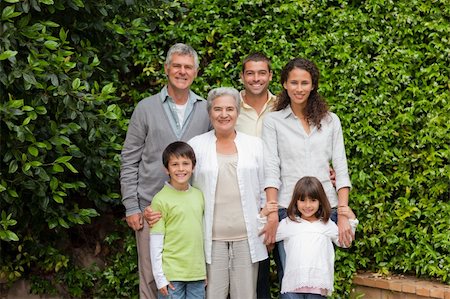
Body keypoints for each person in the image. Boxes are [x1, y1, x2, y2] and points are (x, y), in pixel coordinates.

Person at [120, 43, 210, 299]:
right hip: (151, 209)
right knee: (151, 278)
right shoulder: (145, 108)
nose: (182, 72)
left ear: (196, 72)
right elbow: (129, 159)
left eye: (188, 67)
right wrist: (132, 206)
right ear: (167, 69)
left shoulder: (205, 110)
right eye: (177, 66)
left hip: (191, 210)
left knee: (192, 276)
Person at [262, 58, 354, 292]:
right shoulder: (273, 121)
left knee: (318, 281)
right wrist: (272, 211)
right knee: (290, 280)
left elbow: (341, 168)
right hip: (287, 209)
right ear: (284, 84)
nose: (299, 88)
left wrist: (342, 213)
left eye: (305, 83)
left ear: (313, 85)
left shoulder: (331, 121)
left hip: (325, 209)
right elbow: (271, 167)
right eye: (294, 82)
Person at [188, 87, 267, 299]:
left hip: (247, 237)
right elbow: (184, 188)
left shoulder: (255, 145)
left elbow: (265, 189)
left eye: (230, 109)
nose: (224, 114)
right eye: (218, 109)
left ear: (238, 113)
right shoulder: (196, 145)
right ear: (209, 113)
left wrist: (268, 219)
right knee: (213, 295)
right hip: (211, 238)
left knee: (246, 295)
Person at [258, 176, 358, 298]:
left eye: (313, 200)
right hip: (292, 286)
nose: (307, 205)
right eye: (302, 200)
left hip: (317, 286)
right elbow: (265, 237)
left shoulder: (326, 225)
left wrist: (351, 218)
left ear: (320, 201)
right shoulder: (289, 224)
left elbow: (345, 242)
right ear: (295, 201)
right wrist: (263, 214)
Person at [236, 52, 276, 299]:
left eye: (262, 73)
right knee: (245, 264)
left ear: (270, 76)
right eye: (250, 73)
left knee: (274, 265)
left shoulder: (283, 104)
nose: (256, 78)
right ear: (242, 76)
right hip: (242, 194)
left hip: (277, 193)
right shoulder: (230, 104)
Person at [150, 141, 206, 299]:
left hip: (197, 274)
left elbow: (202, 234)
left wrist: (204, 271)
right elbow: (156, 242)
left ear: (193, 167)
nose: (181, 169)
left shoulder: (199, 195)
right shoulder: (160, 200)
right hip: (172, 275)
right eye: (175, 164)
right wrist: (160, 278)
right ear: (166, 169)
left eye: (185, 163)